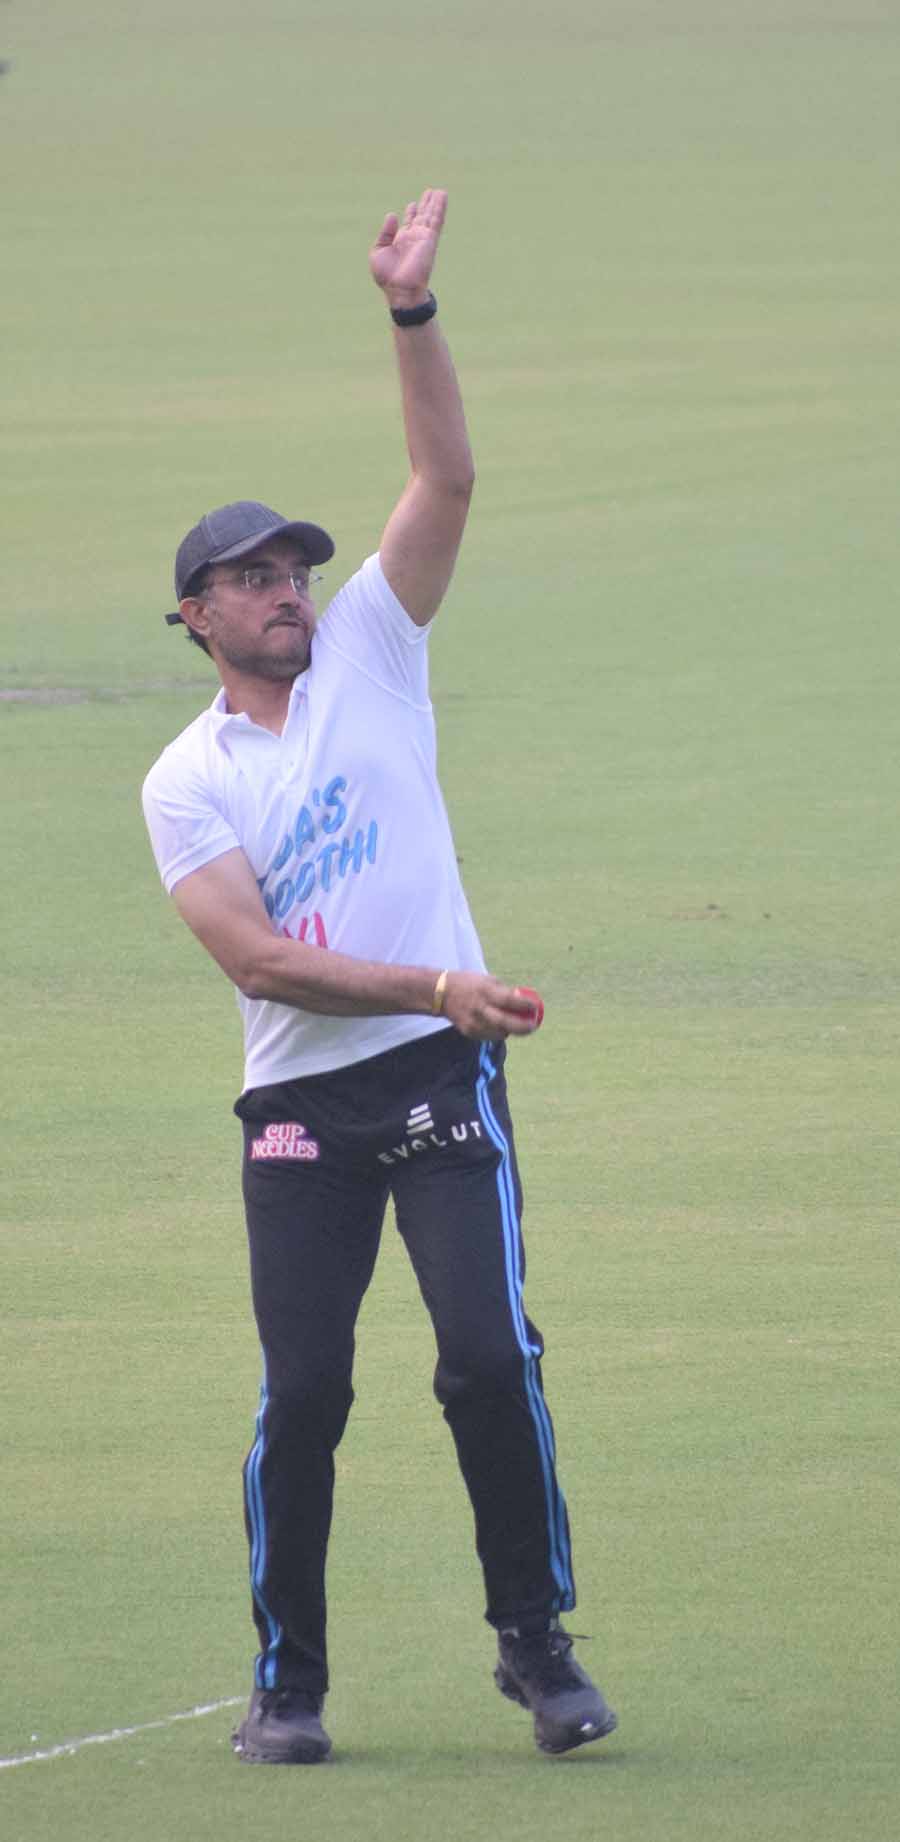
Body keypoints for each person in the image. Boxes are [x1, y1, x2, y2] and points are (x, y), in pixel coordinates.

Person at [141, 188, 617, 1764]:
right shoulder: (182, 782)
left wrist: (411, 312)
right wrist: (438, 980)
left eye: (295, 567)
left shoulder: (373, 645)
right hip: (301, 1103)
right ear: (199, 618)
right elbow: (264, 957)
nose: (289, 587)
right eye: (255, 576)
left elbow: (446, 474)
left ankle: (537, 1647)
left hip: (440, 1072)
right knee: (310, 1393)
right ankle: (288, 1682)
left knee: (490, 1355)